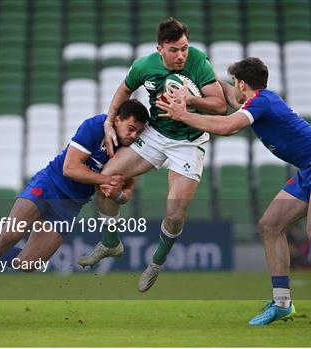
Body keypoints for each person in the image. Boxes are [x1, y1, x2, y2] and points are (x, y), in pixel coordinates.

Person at [156, 57, 311, 325]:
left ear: (242, 84)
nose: (233, 88)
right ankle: (281, 303)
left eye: (235, 82)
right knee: (270, 225)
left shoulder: (262, 102)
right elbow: (229, 97)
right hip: (310, 169)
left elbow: (228, 126)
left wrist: (184, 114)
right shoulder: (258, 101)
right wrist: (199, 77)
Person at [0, 99, 150, 323]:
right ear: (117, 119)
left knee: (28, 264)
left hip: (70, 206)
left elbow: (125, 195)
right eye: (131, 128)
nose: (134, 135)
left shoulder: (129, 151)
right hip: (48, 185)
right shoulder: (94, 127)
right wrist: (106, 180)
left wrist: (116, 194)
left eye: (139, 132)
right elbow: (70, 168)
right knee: (9, 237)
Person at [77, 17, 227, 292]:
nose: (181, 55)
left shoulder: (198, 62)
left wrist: (190, 100)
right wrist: (110, 121)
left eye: (184, 48)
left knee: (174, 213)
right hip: (155, 135)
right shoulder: (144, 65)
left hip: (189, 142)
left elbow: (220, 106)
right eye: (174, 50)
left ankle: (156, 263)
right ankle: (111, 243)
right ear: (160, 48)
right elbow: (124, 89)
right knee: (106, 179)